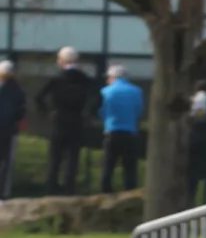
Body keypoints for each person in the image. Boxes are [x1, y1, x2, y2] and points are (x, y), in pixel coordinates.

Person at [37, 47, 96, 195]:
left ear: (61, 61)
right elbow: (98, 98)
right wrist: (88, 113)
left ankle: (51, 188)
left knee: (55, 157)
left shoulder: (57, 78)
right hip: (76, 120)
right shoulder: (84, 79)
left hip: (59, 120)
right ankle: (69, 189)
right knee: (73, 157)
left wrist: (48, 111)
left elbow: (38, 97)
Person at [99, 63, 145, 192]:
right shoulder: (137, 91)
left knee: (108, 165)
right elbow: (138, 111)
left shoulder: (105, 91)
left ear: (113, 77)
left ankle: (106, 192)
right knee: (130, 167)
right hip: (130, 133)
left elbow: (102, 112)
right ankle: (129, 192)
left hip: (112, 132)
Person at [0, 58, 24, 201]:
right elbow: (21, 111)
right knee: (6, 162)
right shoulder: (17, 89)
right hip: (9, 129)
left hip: (7, 129)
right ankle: (2, 194)